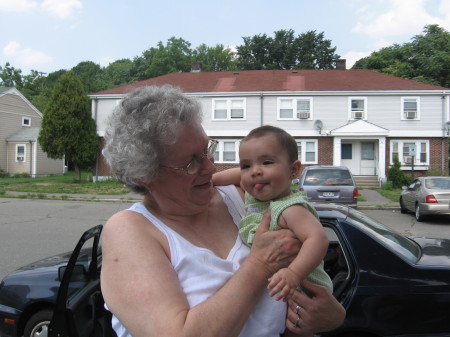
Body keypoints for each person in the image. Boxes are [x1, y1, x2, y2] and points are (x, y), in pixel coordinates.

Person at [100, 85, 345, 337]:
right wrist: (260, 264)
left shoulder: (244, 197)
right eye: (189, 162)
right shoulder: (130, 230)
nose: (210, 166)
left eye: (207, 150)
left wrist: (333, 316)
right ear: (145, 176)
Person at [213, 126, 333, 303]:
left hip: (304, 287)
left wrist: (294, 273)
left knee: (296, 327)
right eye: (247, 165)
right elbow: (239, 176)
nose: (255, 171)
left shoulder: (290, 208)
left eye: (267, 162)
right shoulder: (253, 196)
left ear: (293, 170)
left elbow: (318, 239)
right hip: (280, 286)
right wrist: (208, 181)